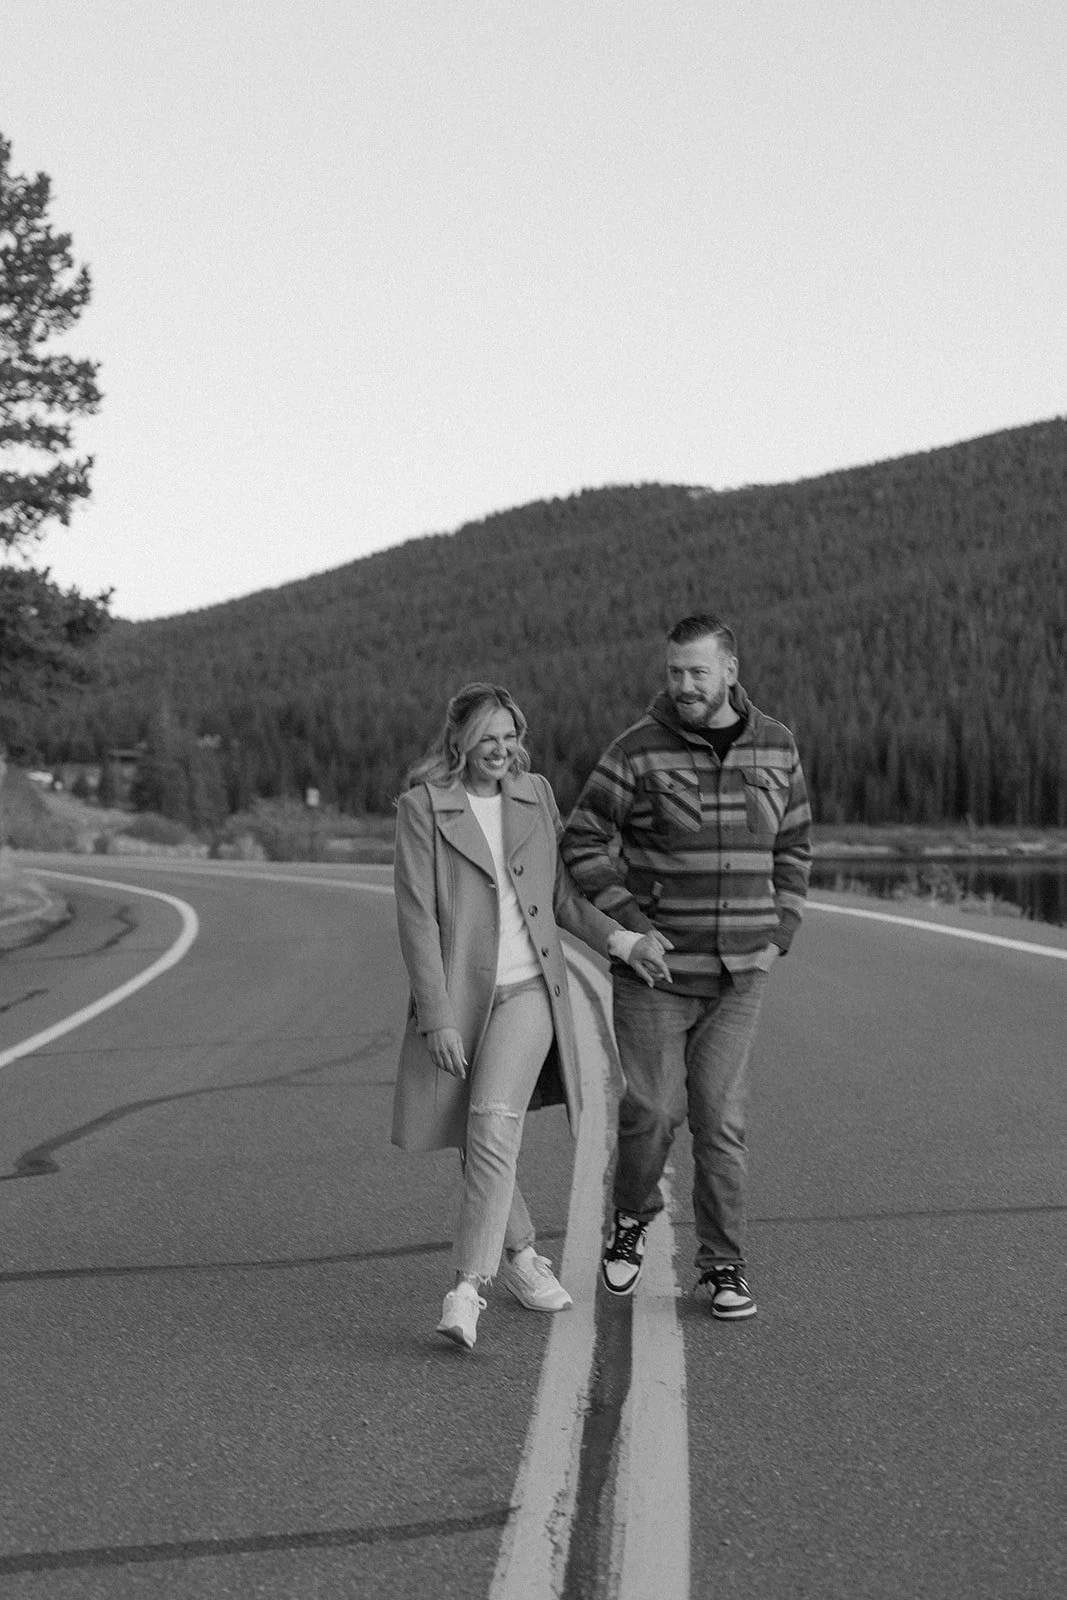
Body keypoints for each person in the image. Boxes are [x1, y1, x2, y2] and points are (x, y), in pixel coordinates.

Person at [391, 682, 670, 1351]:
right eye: (487, 737)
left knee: (492, 1122)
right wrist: (436, 1018)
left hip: (527, 993)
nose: (500, 749)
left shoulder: (535, 794)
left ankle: (466, 1290)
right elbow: (416, 921)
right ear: (457, 740)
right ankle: (520, 1256)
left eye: (510, 736)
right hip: (460, 1002)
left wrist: (623, 942)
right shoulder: (422, 807)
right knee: (476, 1138)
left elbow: (562, 900)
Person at [560, 614, 811, 1319]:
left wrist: (781, 926)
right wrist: (630, 923)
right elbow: (582, 840)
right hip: (656, 977)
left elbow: (793, 845)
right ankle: (632, 1218)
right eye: (674, 672)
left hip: (740, 975)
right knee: (651, 1113)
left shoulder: (777, 746)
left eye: (697, 672)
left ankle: (723, 1264)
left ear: (729, 670)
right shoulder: (636, 751)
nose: (683, 685)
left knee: (720, 1121)